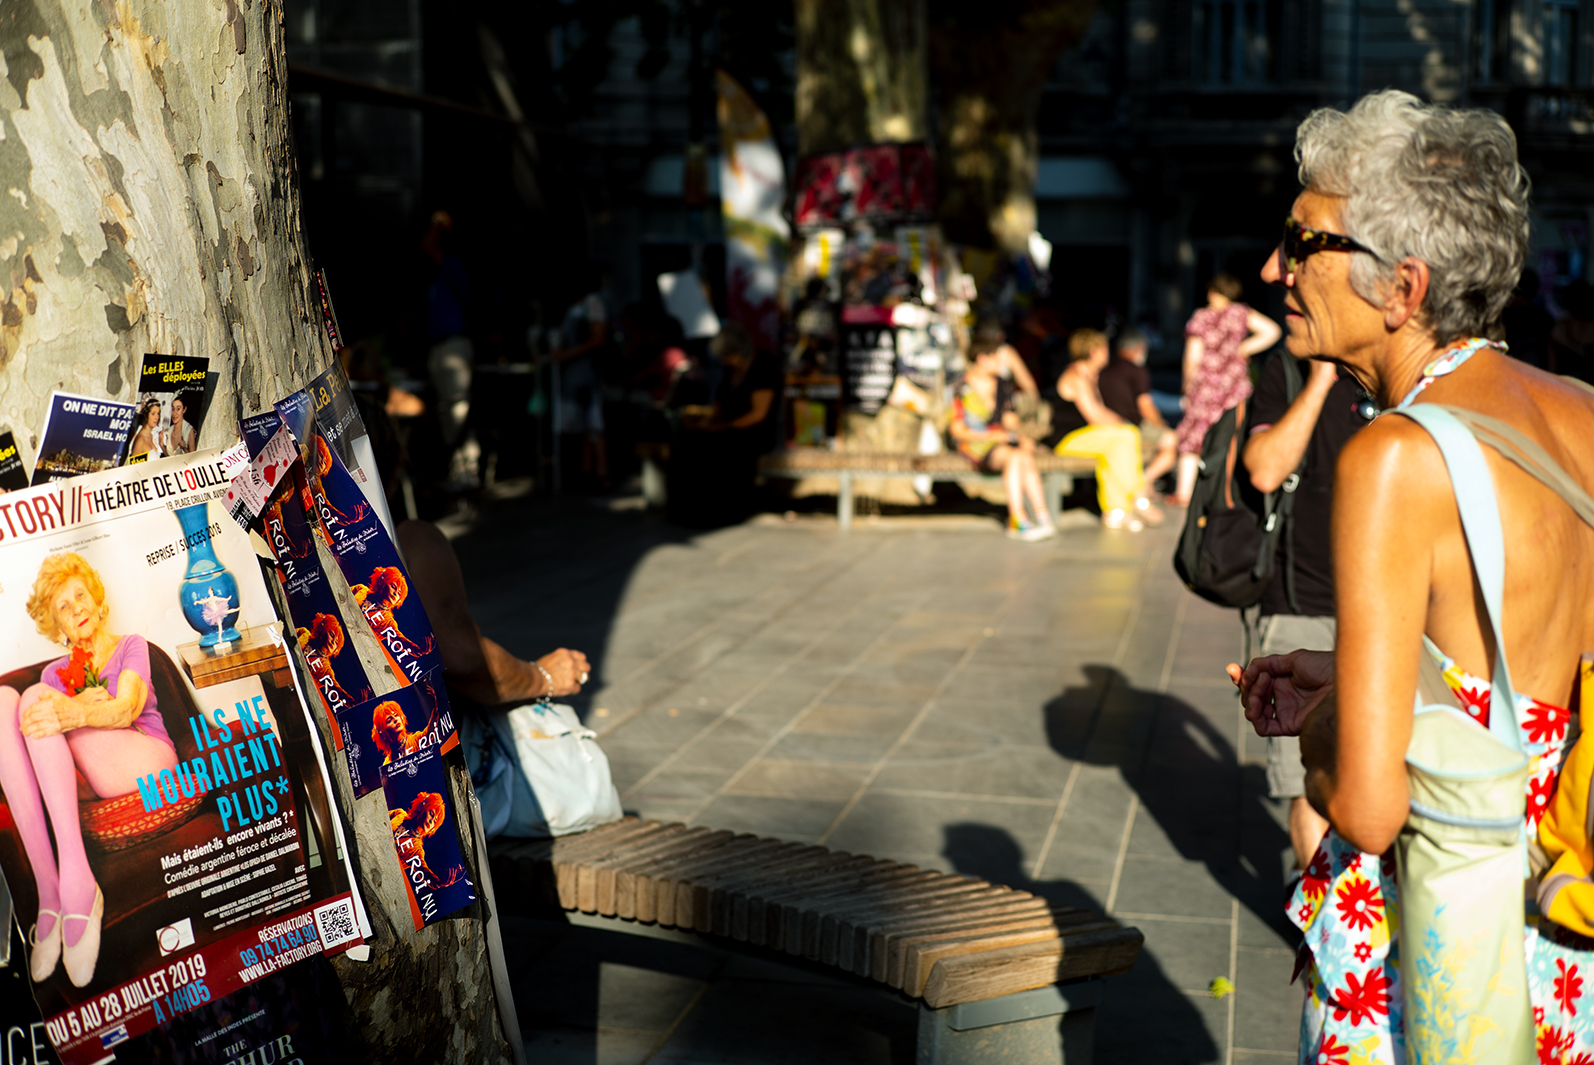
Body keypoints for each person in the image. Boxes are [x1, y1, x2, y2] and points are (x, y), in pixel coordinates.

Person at [1231, 90, 1594, 1062]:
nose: (1278, 269)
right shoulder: (1580, 414)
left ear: (1401, 289)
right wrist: (1355, 681)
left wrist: (1321, 723)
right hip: (1550, 939)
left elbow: (1366, 804)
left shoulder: (1392, 457)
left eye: (1306, 243)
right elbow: (1522, 684)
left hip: (1434, 959)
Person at [0, 553, 178, 987]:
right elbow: (51, 740)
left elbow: (124, 709)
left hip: (149, 761)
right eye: (63, 605)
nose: (76, 607)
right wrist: (79, 707)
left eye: (80, 595)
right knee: (6, 700)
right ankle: (51, 892)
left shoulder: (130, 645)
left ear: (97, 601)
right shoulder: (52, 674)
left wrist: (72, 713)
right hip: (93, 780)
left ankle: (80, 884)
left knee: (39, 700)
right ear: (55, 626)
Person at [1238, 343, 1368, 875]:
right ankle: (1325, 916)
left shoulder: (1403, 373)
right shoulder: (1288, 372)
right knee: (1303, 777)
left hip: (1391, 608)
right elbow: (1264, 471)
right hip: (1300, 598)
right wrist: (1318, 382)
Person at [1172, 275, 1282, 504]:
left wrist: (1187, 384)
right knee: (1233, 431)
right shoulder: (1241, 313)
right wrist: (1244, 348)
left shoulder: (1203, 316)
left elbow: (1192, 356)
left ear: (1214, 292)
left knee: (1194, 436)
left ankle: (1184, 491)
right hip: (1234, 383)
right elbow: (1272, 331)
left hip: (1206, 383)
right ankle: (1227, 486)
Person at [667, 323, 780, 527]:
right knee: (687, 440)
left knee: (718, 447)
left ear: (737, 352)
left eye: (726, 356)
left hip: (752, 432)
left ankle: (719, 510)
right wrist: (709, 421)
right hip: (727, 427)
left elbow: (758, 414)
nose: (723, 361)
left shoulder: (764, 366)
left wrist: (725, 426)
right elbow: (720, 401)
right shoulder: (731, 369)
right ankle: (686, 508)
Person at [1052, 329, 1164, 531]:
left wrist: (1122, 423)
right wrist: (1123, 424)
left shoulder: (1090, 376)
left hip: (1087, 437)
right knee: (1125, 436)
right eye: (1104, 348)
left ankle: (1116, 512)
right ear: (1093, 351)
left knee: (1117, 447)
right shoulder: (1076, 376)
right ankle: (1138, 495)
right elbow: (1095, 416)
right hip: (1066, 439)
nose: (1108, 352)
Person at [950, 335, 1056, 541]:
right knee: (1016, 458)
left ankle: (1042, 515)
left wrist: (1021, 435)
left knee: (1024, 456)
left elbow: (1009, 419)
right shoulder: (962, 386)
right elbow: (957, 430)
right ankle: (1017, 518)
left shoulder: (1001, 385)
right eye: (996, 358)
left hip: (1001, 441)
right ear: (982, 358)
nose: (1001, 363)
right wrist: (991, 435)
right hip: (974, 443)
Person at [1096, 328, 1178, 492]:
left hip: (1107, 426)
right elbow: (1145, 406)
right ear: (1139, 348)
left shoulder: (1103, 370)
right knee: (1172, 440)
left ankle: (1142, 485)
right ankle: (1140, 484)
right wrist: (1160, 424)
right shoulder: (1137, 370)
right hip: (1131, 426)